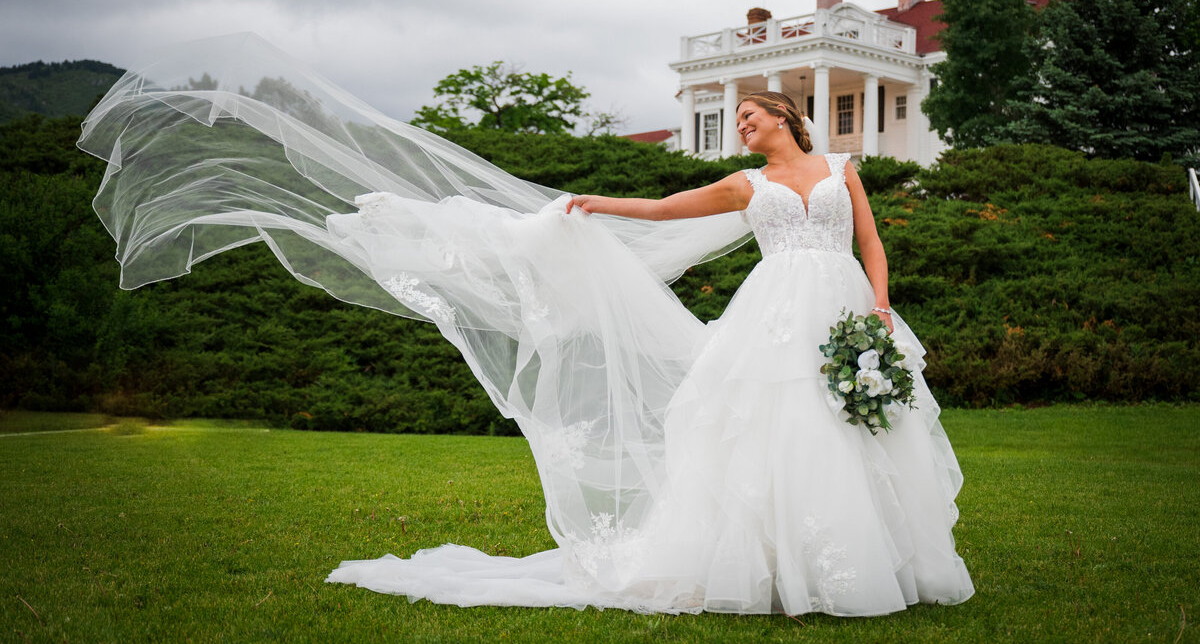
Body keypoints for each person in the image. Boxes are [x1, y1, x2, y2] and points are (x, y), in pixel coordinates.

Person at [78, 35, 972, 617]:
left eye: (752, 113)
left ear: (788, 116)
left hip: (844, 306)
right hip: (772, 311)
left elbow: (871, 242)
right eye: (734, 114)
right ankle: (781, 570)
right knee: (770, 429)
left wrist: (881, 305)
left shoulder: (843, 167)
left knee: (857, 424)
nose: (741, 123)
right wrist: (589, 203)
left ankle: (876, 559)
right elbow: (664, 207)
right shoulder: (747, 188)